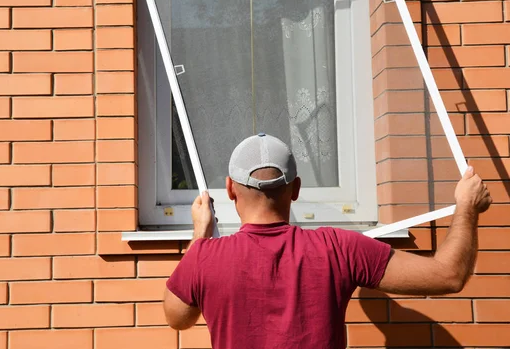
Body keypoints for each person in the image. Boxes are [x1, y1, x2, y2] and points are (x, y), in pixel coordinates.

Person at [163, 134, 492, 349]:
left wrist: (200, 234)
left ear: (231, 189)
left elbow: (179, 319)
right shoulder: (338, 248)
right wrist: (467, 208)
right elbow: (449, 275)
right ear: (296, 189)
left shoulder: (205, 257)